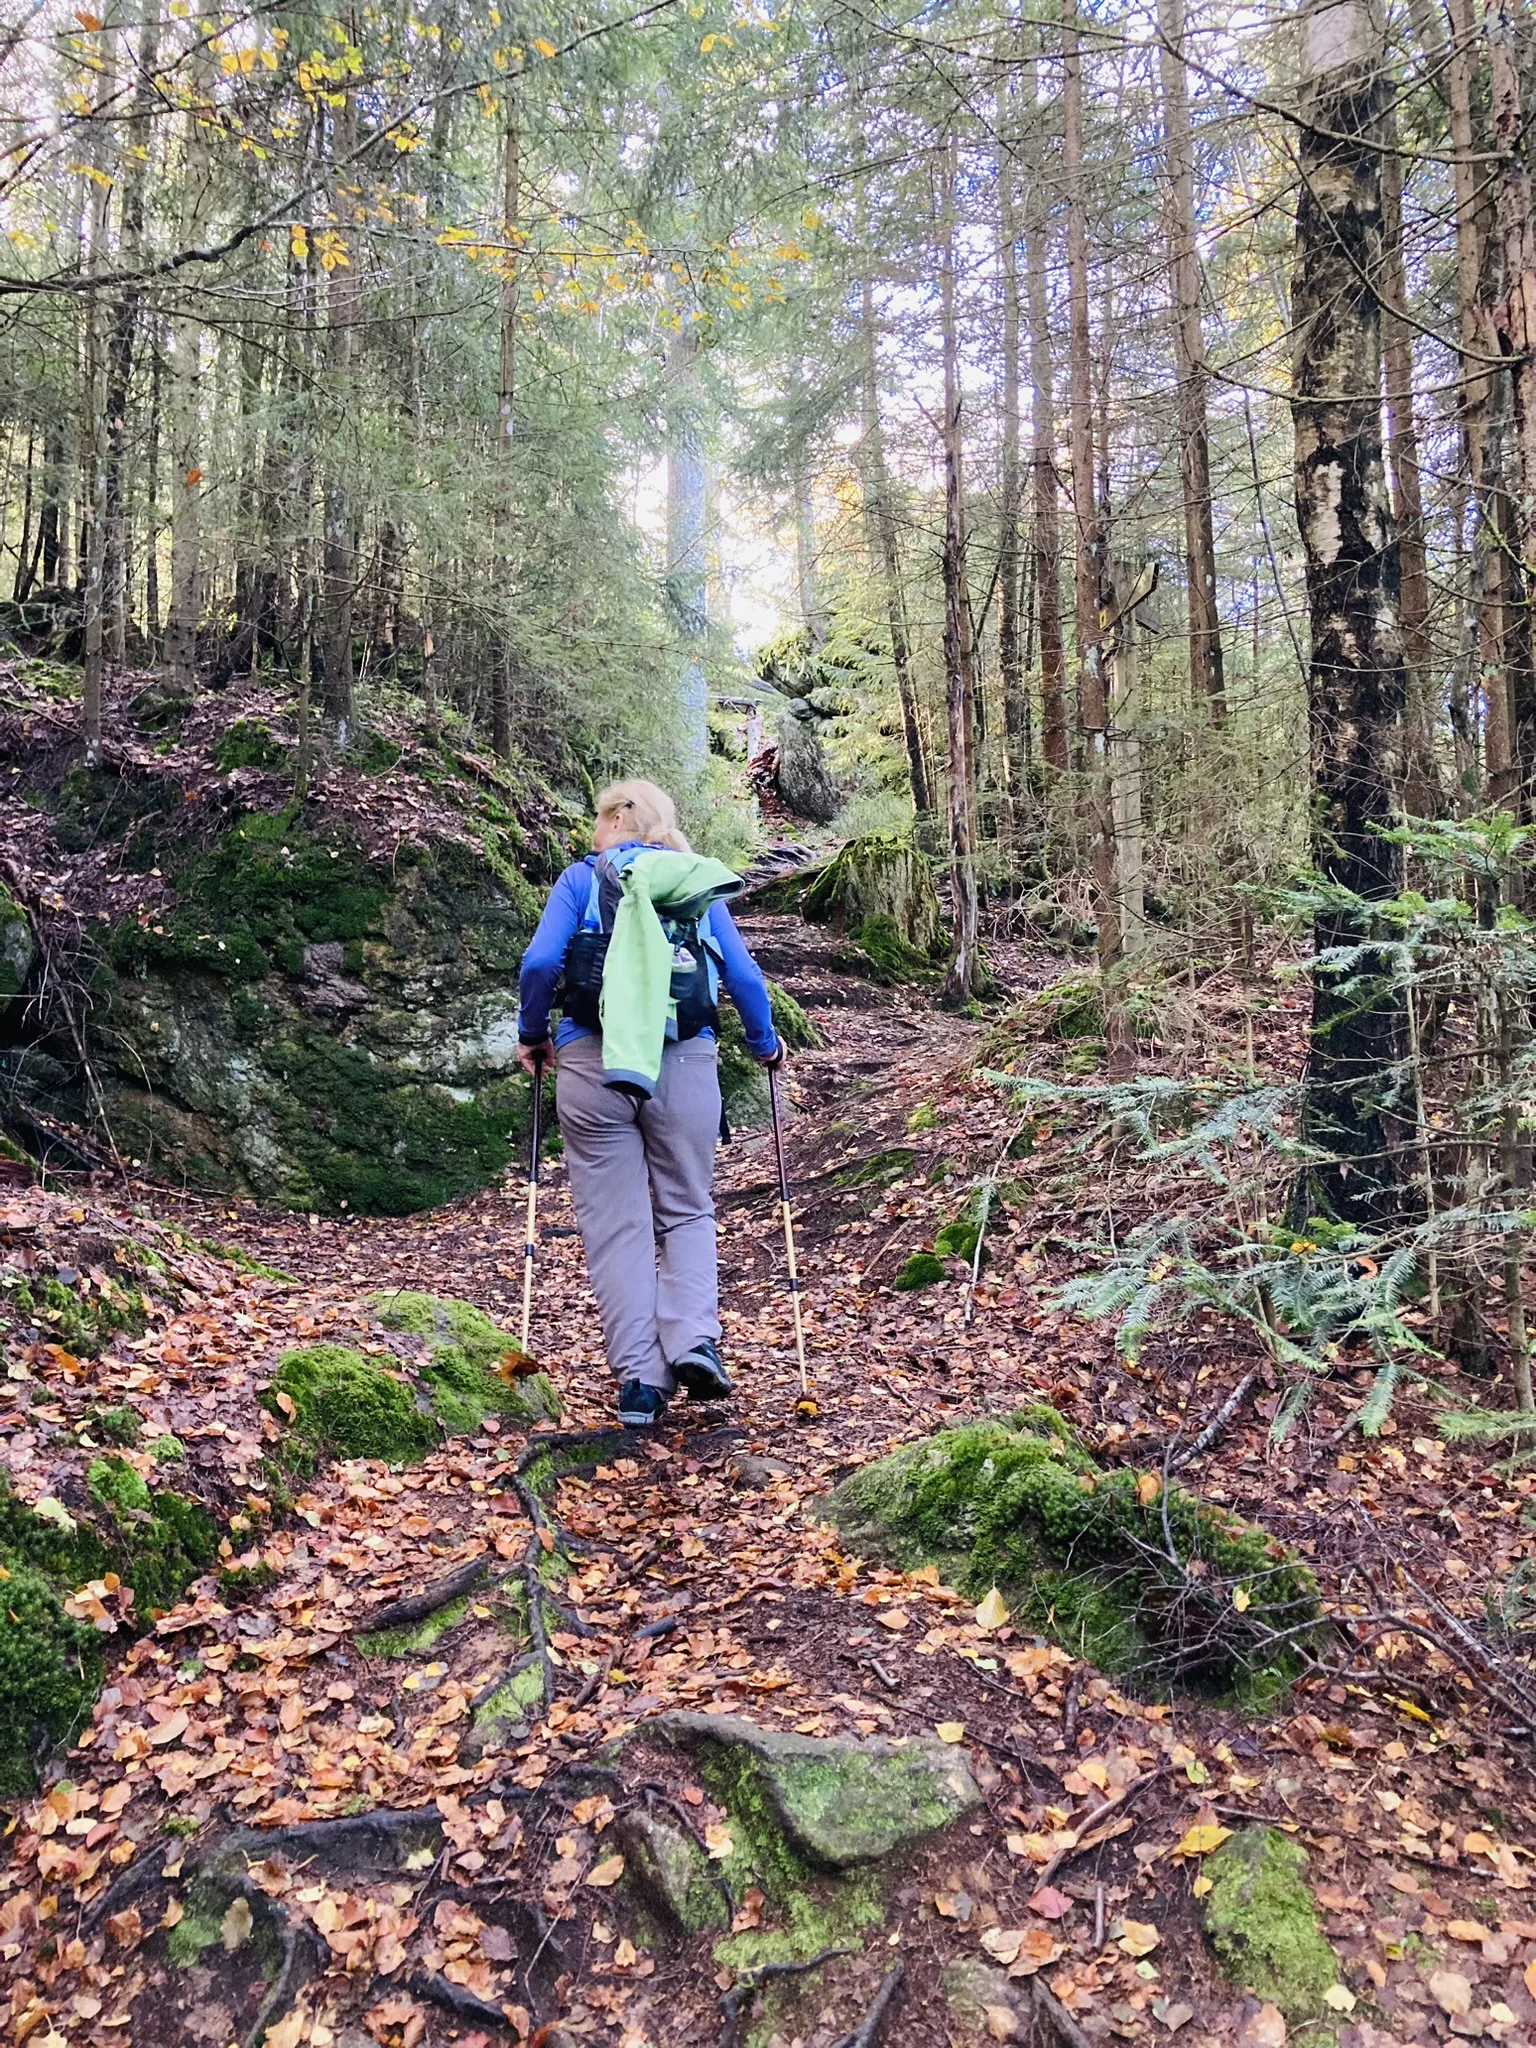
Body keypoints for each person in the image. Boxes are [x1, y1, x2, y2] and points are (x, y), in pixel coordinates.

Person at [516, 779, 783, 1426]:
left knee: (618, 1226)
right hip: (685, 1059)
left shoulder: (580, 881)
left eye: (597, 819)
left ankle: (641, 1380)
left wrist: (533, 1034)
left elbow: (540, 964)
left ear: (614, 818)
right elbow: (744, 976)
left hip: (593, 1061)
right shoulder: (691, 879)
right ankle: (694, 1340)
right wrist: (765, 1043)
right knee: (688, 1208)